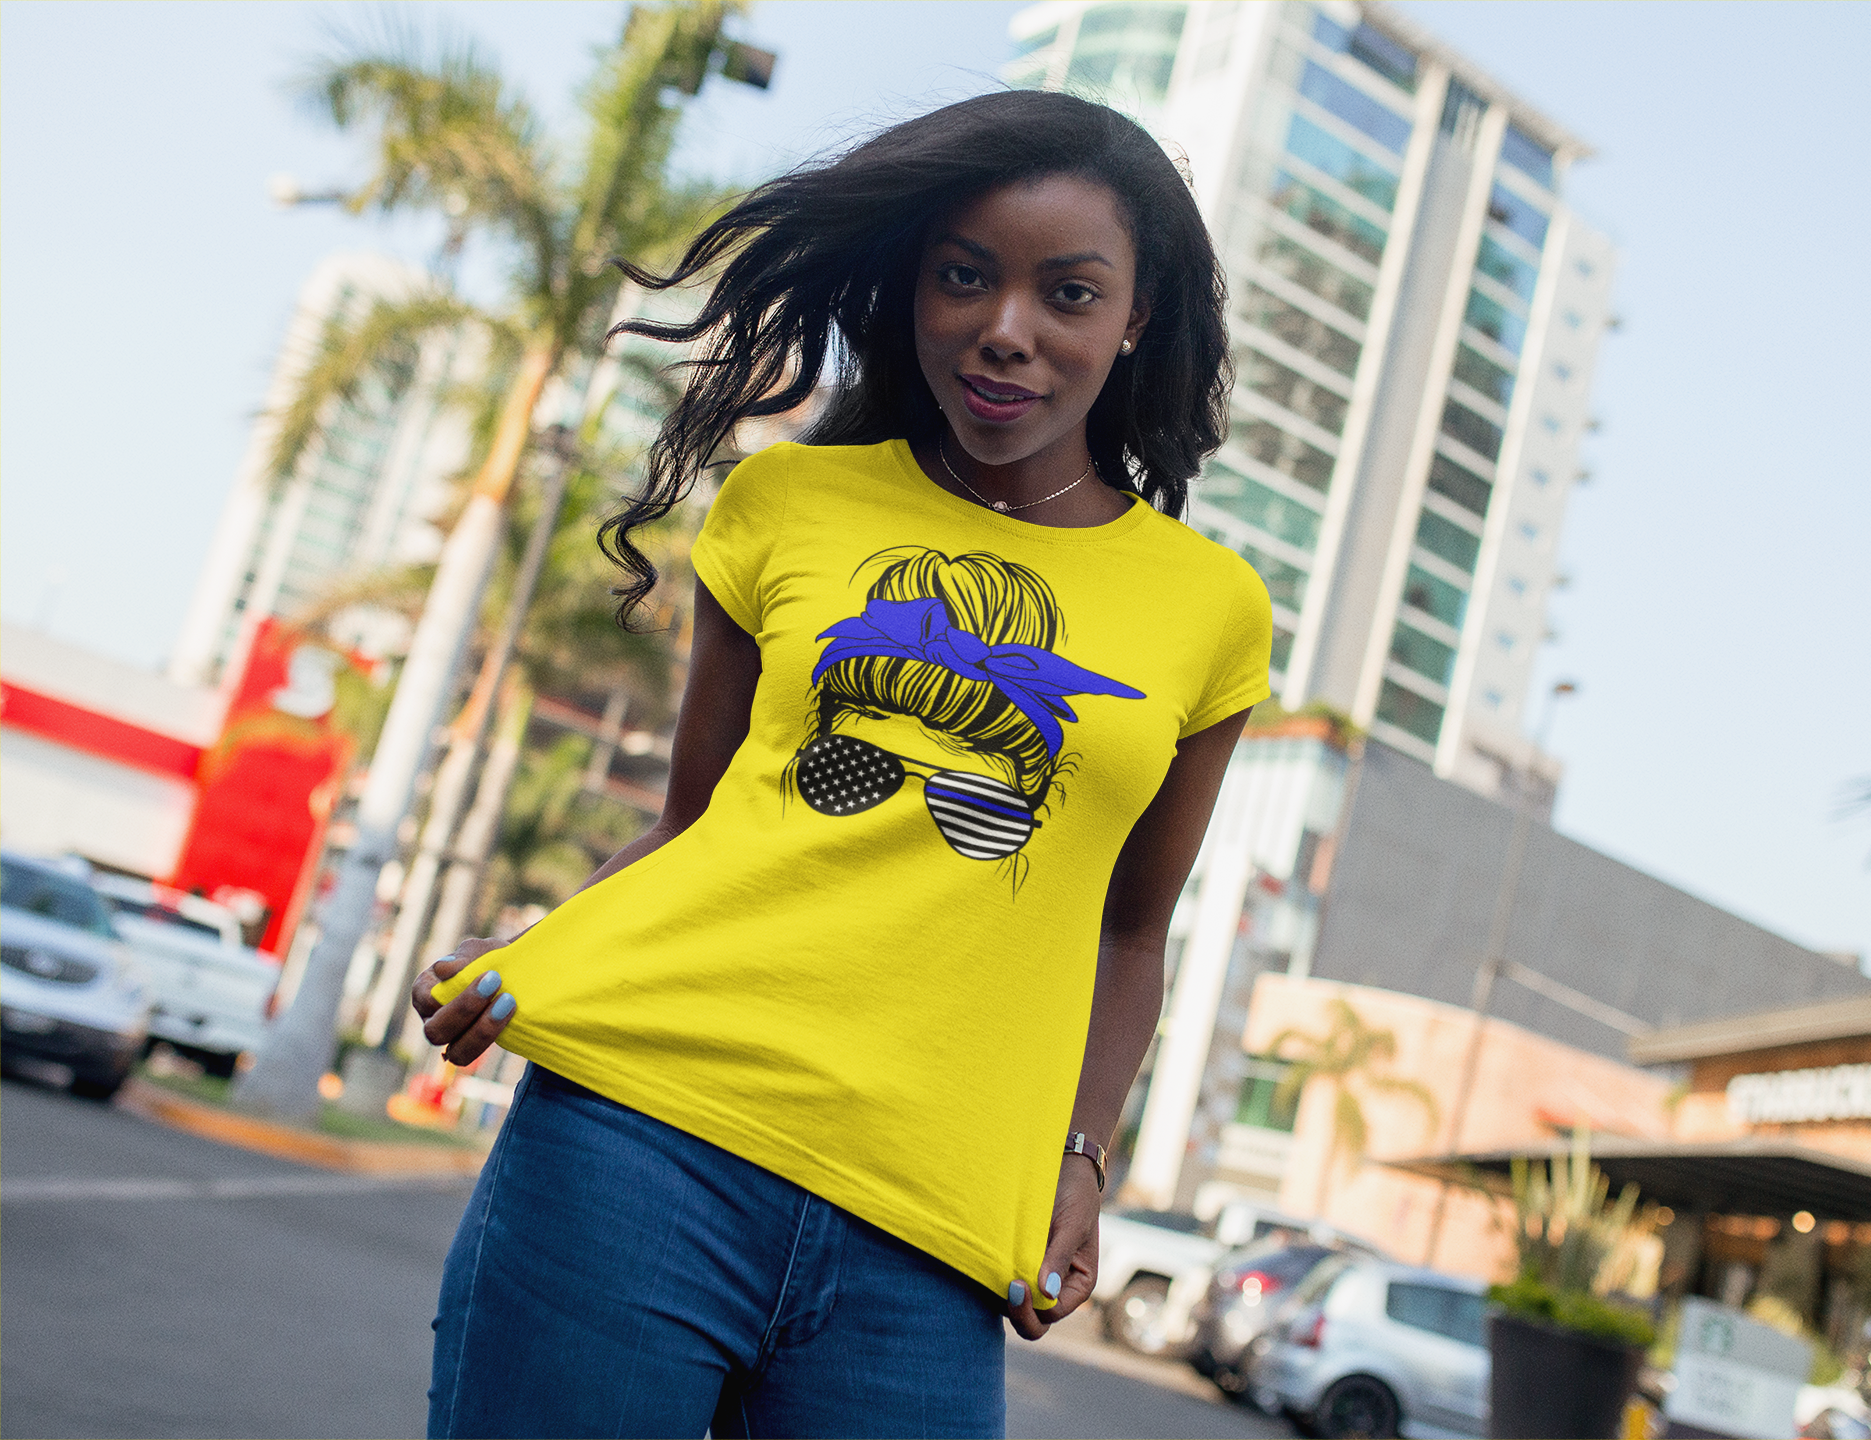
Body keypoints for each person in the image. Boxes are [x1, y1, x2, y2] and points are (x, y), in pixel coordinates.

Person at [413, 88, 1273, 1440]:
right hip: (642, 1143)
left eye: (1068, 293)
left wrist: (1083, 1158)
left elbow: (1131, 933)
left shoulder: (1209, 609)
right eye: (965, 277)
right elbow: (699, 829)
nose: (1007, 329)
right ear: (914, 287)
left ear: (1136, 316)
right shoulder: (786, 505)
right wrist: (538, 943)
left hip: (925, 1236)